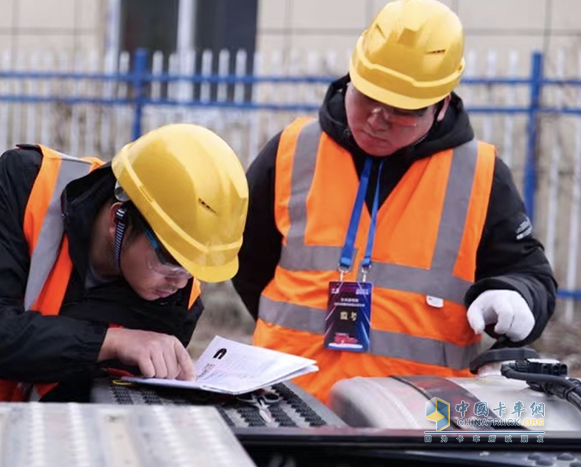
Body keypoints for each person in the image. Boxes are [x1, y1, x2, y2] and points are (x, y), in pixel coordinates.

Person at [232, 0, 557, 404]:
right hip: (290, 406)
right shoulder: (293, 150)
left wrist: (514, 294)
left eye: (402, 109)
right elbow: (243, 257)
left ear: (440, 106)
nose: (377, 117)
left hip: (420, 418)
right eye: (367, 96)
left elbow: (530, 273)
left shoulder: (480, 173)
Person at [0, 123, 249, 402]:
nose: (181, 281)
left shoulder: (176, 301)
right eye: (171, 257)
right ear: (118, 220)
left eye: (196, 266)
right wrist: (113, 341)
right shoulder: (25, 186)